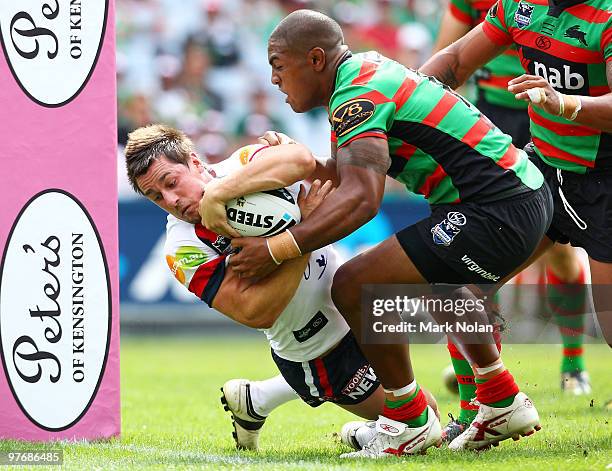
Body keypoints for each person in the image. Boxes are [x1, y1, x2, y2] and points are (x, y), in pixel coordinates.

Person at [200, 10, 552, 457]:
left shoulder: (356, 96)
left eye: (278, 65)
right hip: (517, 198)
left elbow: (364, 199)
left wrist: (276, 249)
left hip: (498, 208)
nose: (272, 79)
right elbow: (345, 181)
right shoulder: (359, 76)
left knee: (357, 285)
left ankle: (408, 421)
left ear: (314, 59)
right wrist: (295, 162)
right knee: (439, 286)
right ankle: (501, 399)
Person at [123, 124, 439, 452]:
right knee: (426, 421)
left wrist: (230, 198)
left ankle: (257, 399)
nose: (172, 200)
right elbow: (256, 311)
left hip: (352, 307)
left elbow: (300, 159)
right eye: (156, 197)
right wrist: (300, 235)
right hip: (318, 350)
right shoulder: (182, 247)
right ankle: (358, 431)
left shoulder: (242, 164)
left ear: (194, 162)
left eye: (171, 182)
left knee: (422, 420)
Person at [432, 0, 591, 442]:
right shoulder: (494, 5)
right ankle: (482, 394)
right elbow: (447, 58)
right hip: (494, 121)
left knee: (559, 258)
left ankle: (574, 364)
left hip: (563, 123)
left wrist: (567, 103)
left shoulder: (587, 13)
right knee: (469, 267)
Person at [420, 1, 612, 340]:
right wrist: (397, 94)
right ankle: (489, 392)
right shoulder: (517, 5)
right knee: (460, 289)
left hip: (604, 179)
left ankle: (573, 365)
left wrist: (565, 103)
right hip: (542, 168)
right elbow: (454, 62)